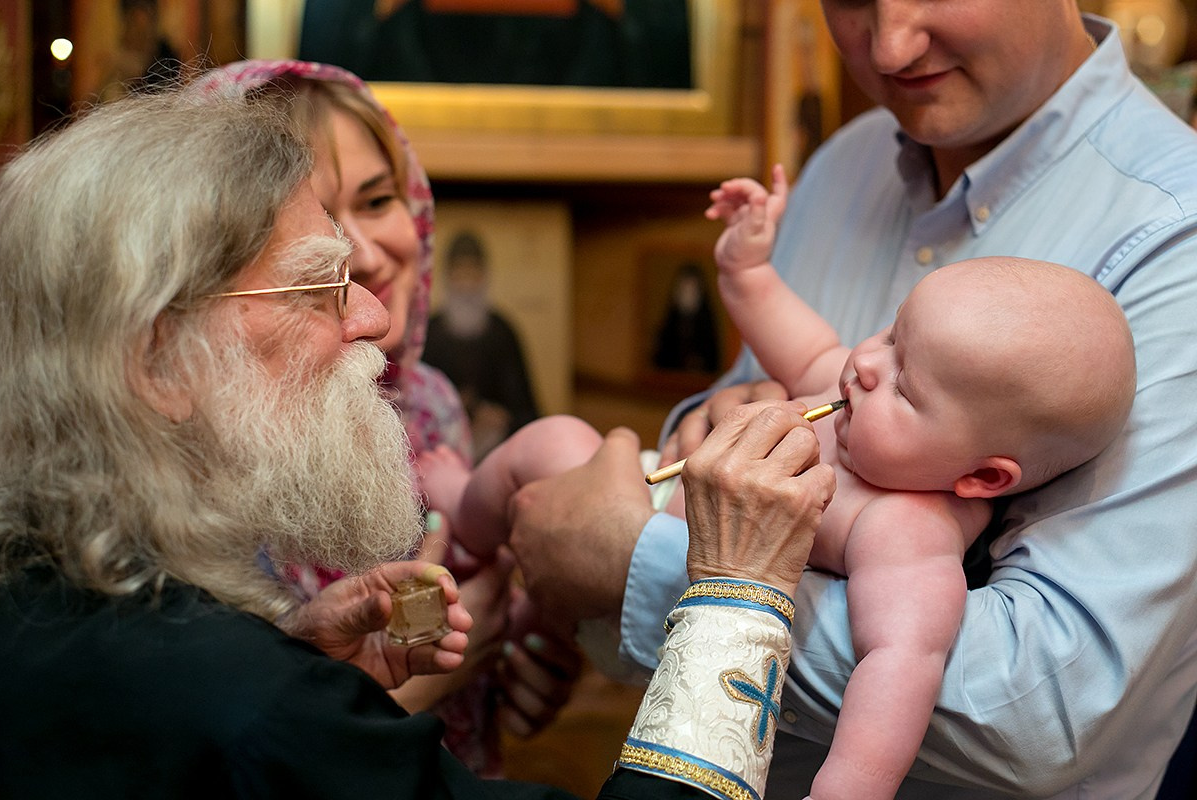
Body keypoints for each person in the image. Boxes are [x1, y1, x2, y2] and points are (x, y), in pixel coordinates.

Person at [0, 86, 836, 799]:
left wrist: (309, 675)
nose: (374, 316)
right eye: (319, 284)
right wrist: (737, 595)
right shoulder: (253, 709)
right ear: (160, 359)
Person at [505, 4, 1197, 798]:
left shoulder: (1178, 241)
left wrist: (630, 565)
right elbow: (753, 395)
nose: (891, 46)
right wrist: (702, 438)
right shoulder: (845, 164)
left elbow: (1039, 711)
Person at [422, 243, 1135, 800]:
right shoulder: (860, 398)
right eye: (891, 334)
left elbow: (900, 667)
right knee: (554, 438)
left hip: (669, 618)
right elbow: (804, 345)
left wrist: (851, 788)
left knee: (551, 449)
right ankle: (476, 538)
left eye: (905, 384)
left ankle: (473, 541)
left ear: (982, 476)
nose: (864, 365)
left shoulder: (905, 528)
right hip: (641, 513)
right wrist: (748, 270)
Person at [193, 59, 575, 775]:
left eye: (376, 201)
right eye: (319, 227)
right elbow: (239, 748)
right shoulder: (221, 442)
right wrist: (444, 672)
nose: (365, 255)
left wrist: (517, 670)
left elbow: (470, 627)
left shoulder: (430, 403)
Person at [424, 230, 541, 460]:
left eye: (473, 273)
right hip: (440, 448)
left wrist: (502, 417)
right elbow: (415, 401)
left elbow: (527, 411)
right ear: (448, 277)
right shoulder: (431, 332)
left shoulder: (502, 332)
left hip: (495, 449)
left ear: (484, 276)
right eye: (460, 273)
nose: (466, 284)